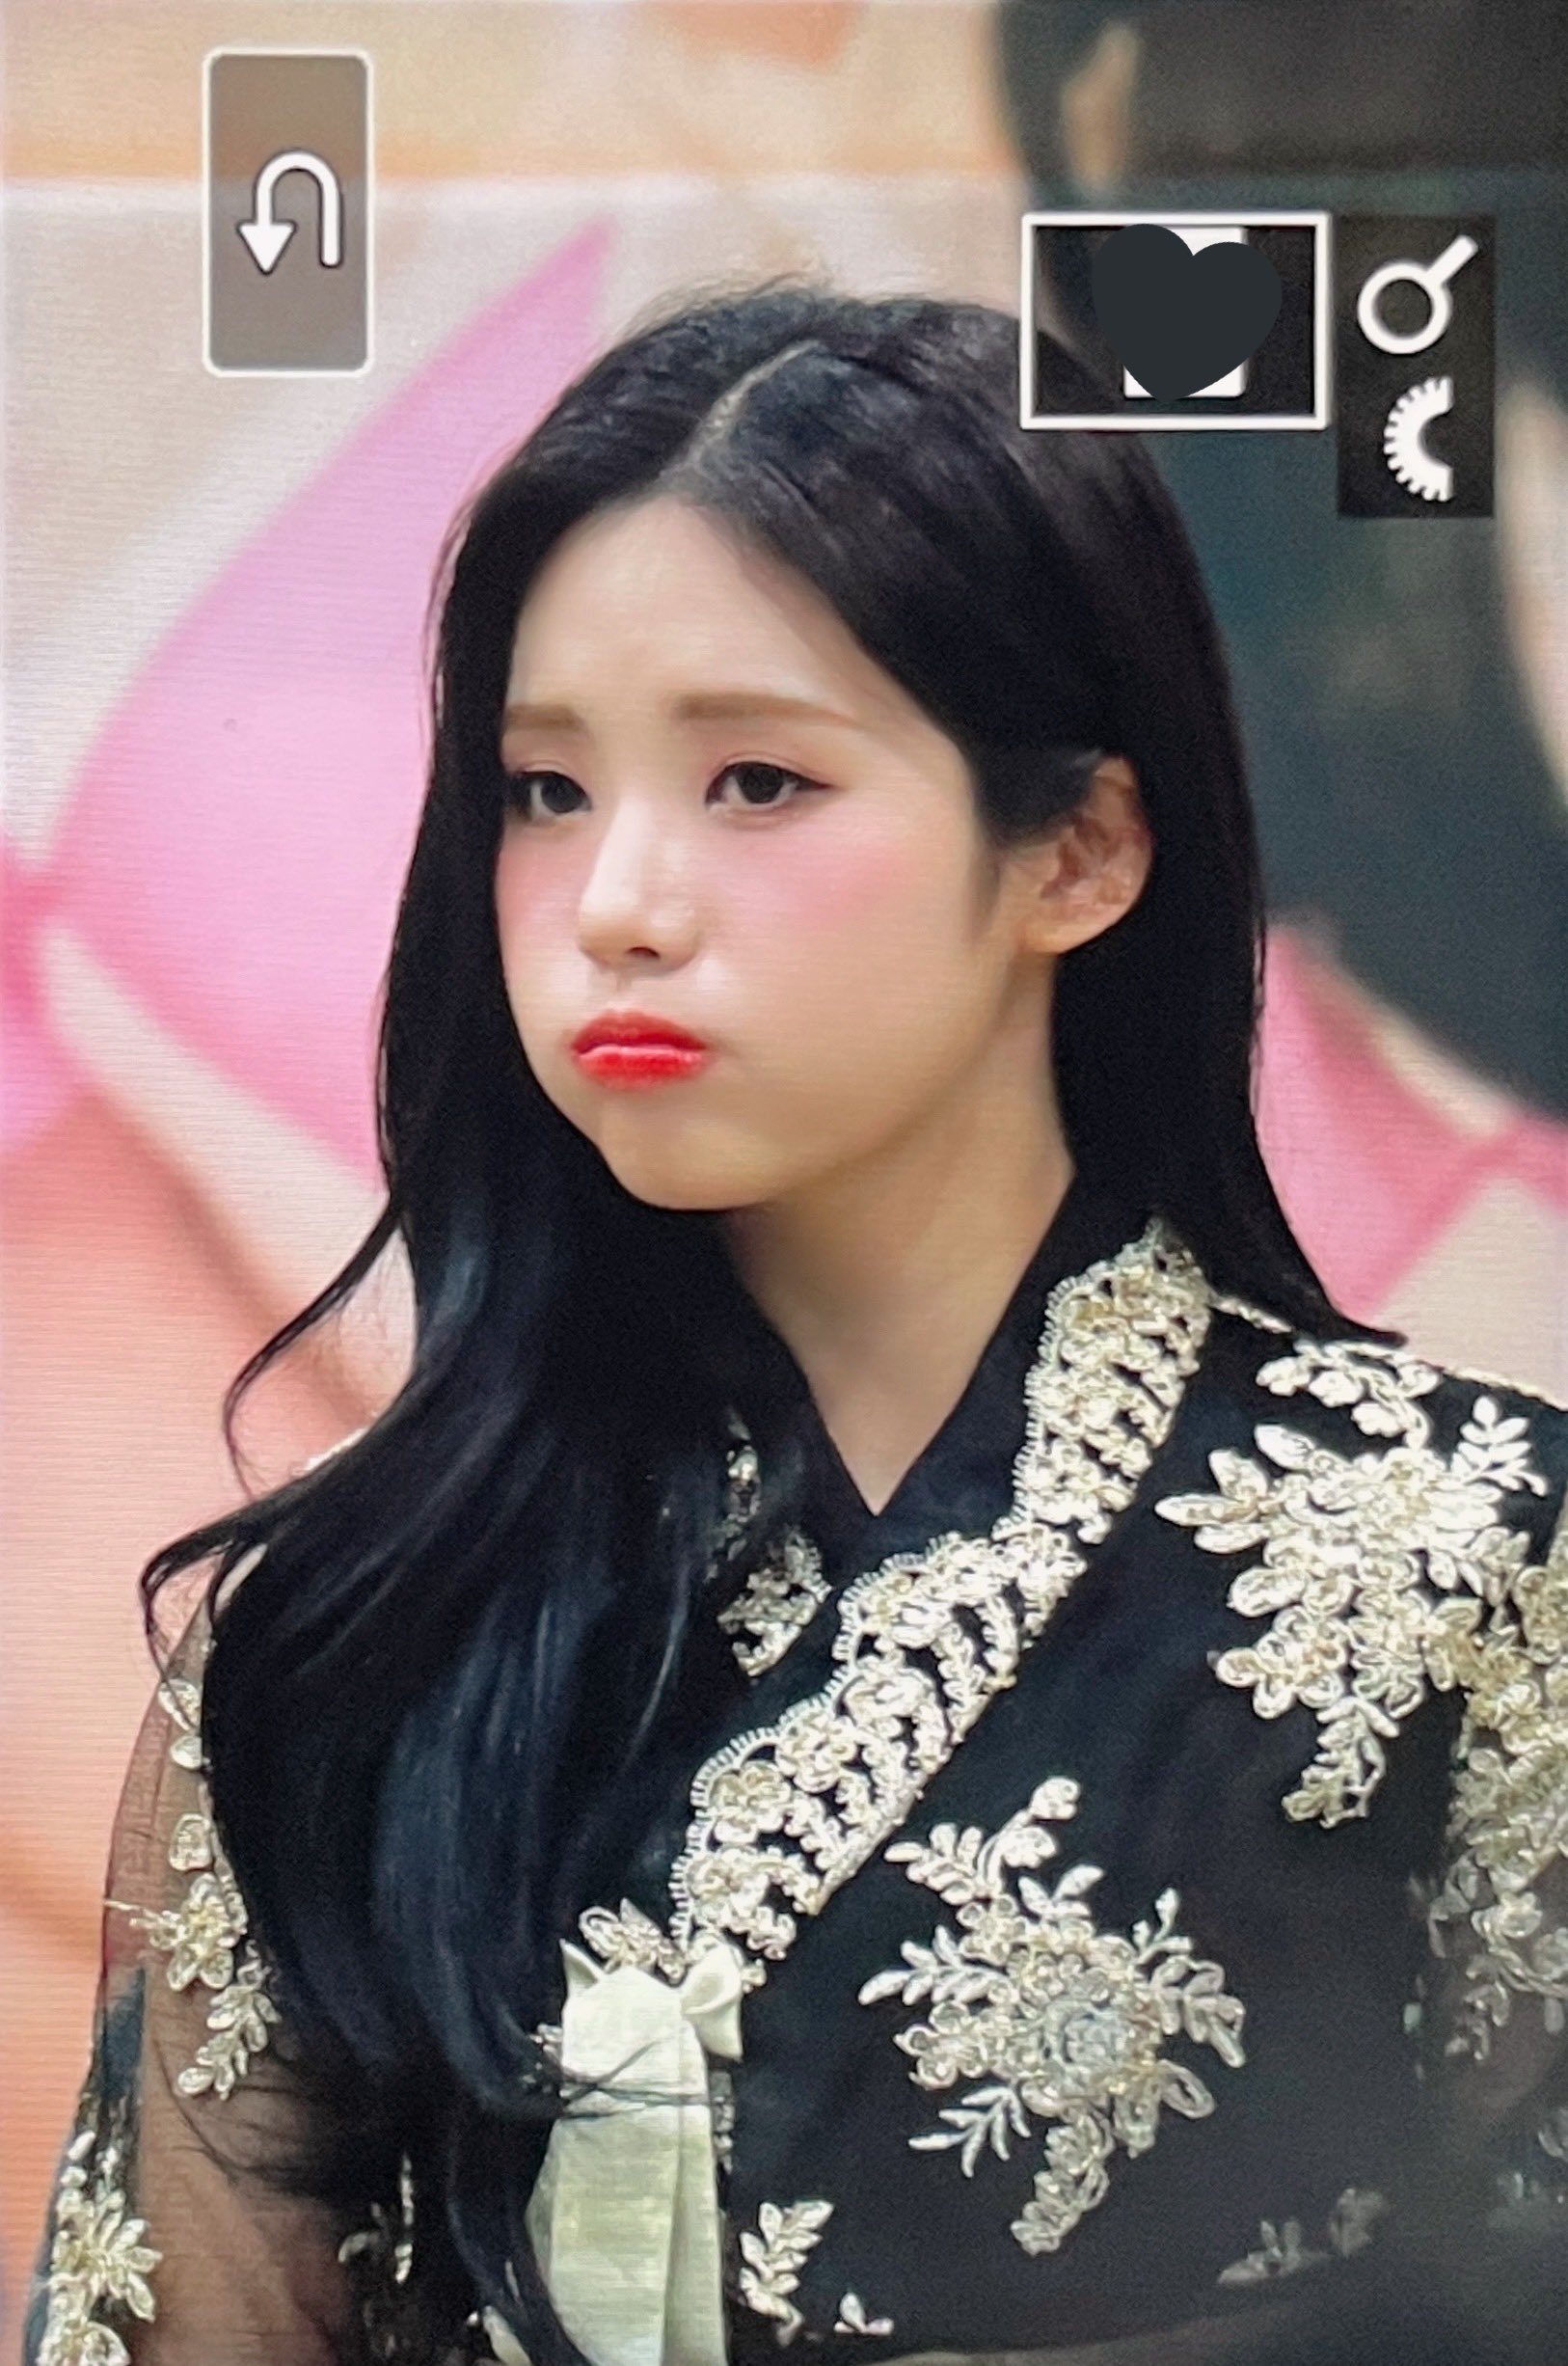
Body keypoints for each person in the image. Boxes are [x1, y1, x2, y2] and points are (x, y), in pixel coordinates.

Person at [24, 284, 1568, 2366]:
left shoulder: (1461, 1561)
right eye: (543, 790)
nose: (617, 902)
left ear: (1081, 849)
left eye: (755, 780)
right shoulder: (343, 1641)